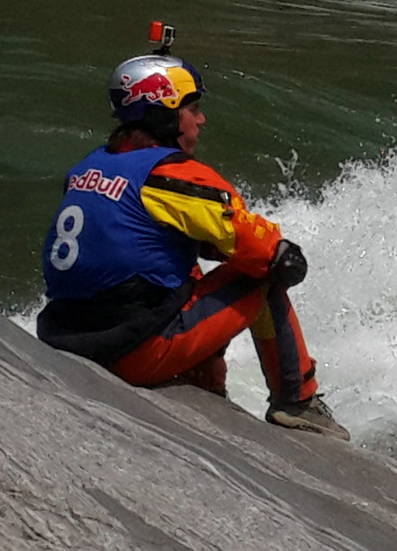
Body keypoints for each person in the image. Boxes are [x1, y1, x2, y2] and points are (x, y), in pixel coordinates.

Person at [35, 29, 347, 440]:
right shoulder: (173, 176)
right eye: (192, 108)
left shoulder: (88, 168)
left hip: (63, 336)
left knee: (182, 275)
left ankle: (207, 386)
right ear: (164, 115)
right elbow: (268, 253)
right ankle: (298, 402)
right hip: (132, 354)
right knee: (266, 275)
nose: (200, 119)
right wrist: (275, 253)